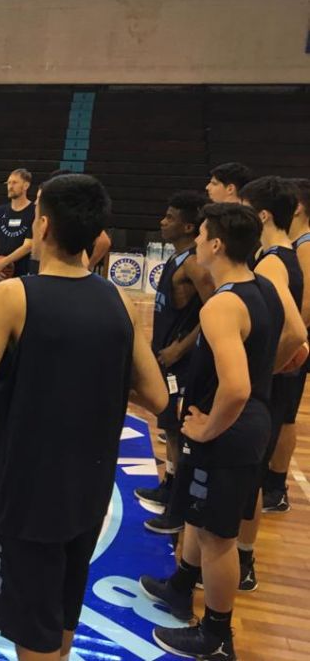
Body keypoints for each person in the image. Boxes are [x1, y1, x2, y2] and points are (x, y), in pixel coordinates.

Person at [0, 173, 167, 660]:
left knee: (33, 630)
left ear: (44, 226)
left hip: (29, 493)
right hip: (89, 488)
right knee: (62, 613)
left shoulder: (13, 296)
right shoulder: (118, 299)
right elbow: (157, 396)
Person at [143, 203, 304, 658]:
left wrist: (208, 428)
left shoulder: (222, 305)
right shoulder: (264, 287)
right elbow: (297, 341)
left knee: (217, 538)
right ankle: (180, 586)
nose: (195, 242)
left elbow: (235, 388)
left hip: (229, 430)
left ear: (216, 244)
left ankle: (216, 636)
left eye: (201, 236)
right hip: (249, 421)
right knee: (199, 517)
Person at [234, 176, 304, 590]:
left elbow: (295, 332)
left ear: (261, 215)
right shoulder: (279, 255)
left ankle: (243, 561)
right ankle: (241, 556)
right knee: (251, 476)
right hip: (272, 386)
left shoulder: (273, 262)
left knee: (249, 476)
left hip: (268, 388)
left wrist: (265, 368)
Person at [137, 192, 215, 535]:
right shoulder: (175, 256)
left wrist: (180, 349)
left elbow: (214, 309)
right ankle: (169, 484)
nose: (162, 222)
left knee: (180, 432)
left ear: (187, 226)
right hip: (165, 355)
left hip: (181, 362)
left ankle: (178, 508)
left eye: (170, 217)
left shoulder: (194, 265)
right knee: (168, 427)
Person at [263, 177, 310, 511]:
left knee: (285, 417)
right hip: (291, 343)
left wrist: (287, 347)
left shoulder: (304, 245)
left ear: (297, 207)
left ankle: (276, 486)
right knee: (281, 416)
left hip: (295, 345)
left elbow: (305, 306)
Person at [0, 168, 35, 281]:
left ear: (26, 186)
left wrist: (3, 263)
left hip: (22, 274)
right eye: (8, 183)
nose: (10, 186)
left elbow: (29, 245)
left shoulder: (34, 211)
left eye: (14, 183)